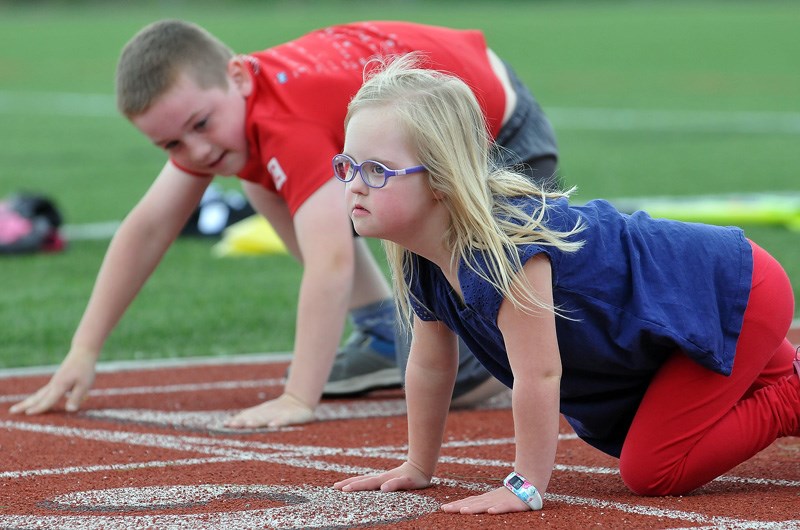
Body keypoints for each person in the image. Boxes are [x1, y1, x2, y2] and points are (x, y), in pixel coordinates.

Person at [10, 20, 560, 427]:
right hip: (427, 124)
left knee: (472, 361)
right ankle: (381, 327)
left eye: (200, 124)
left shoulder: (282, 120)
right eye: (172, 143)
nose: (195, 151)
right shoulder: (234, 118)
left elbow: (331, 261)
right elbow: (147, 228)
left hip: (498, 132)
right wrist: (83, 351)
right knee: (256, 175)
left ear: (237, 77)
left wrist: (300, 396)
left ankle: (533, 338)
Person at [331, 55, 800, 514]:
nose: (353, 184)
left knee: (653, 469)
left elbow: (540, 374)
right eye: (347, 165)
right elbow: (431, 366)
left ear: (441, 180)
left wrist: (525, 486)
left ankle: (792, 397)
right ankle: (783, 375)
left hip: (735, 291)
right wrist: (418, 464)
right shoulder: (420, 252)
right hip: (680, 314)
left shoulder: (505, 248)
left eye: (377, 170)